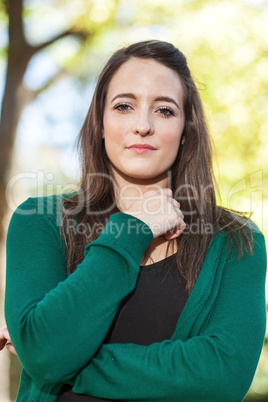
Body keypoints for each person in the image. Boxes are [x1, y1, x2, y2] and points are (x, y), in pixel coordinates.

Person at [1, 40, 267, 402]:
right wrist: (132, 229)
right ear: (100, 123)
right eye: (124, 106)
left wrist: (60, 358)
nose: (142, 126)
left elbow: (222, 377)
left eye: (164, 110)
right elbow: (46, 357)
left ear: (186, 127)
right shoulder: (41, 222)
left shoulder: (236, 242)